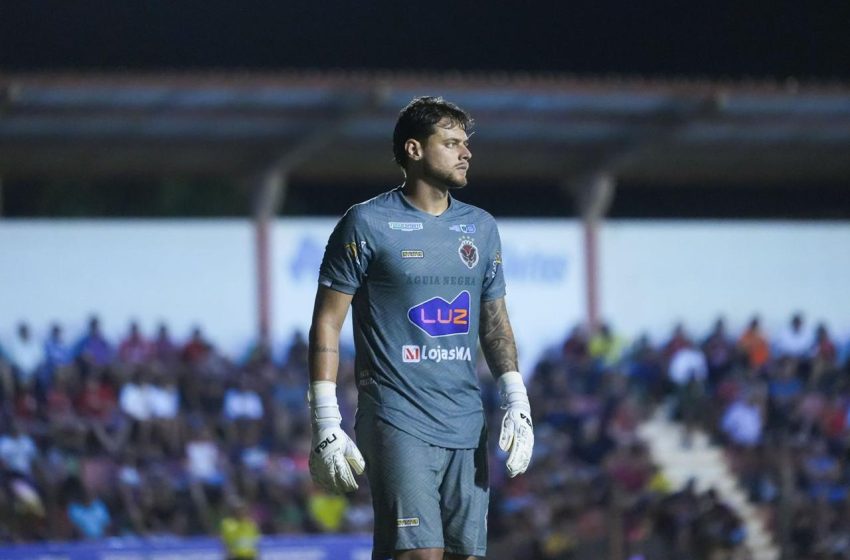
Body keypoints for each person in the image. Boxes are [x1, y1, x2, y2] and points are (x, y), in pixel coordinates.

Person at [306, 96, 534, 560]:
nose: (465, 153)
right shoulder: (366, 223)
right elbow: (327, 321)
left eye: (465, 144)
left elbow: (495, 324)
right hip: (397, 417)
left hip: (466, 422)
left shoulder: (481, 227)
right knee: (419, 554)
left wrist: (517, 398)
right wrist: (325, 420)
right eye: (450, 143)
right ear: (414, 150)